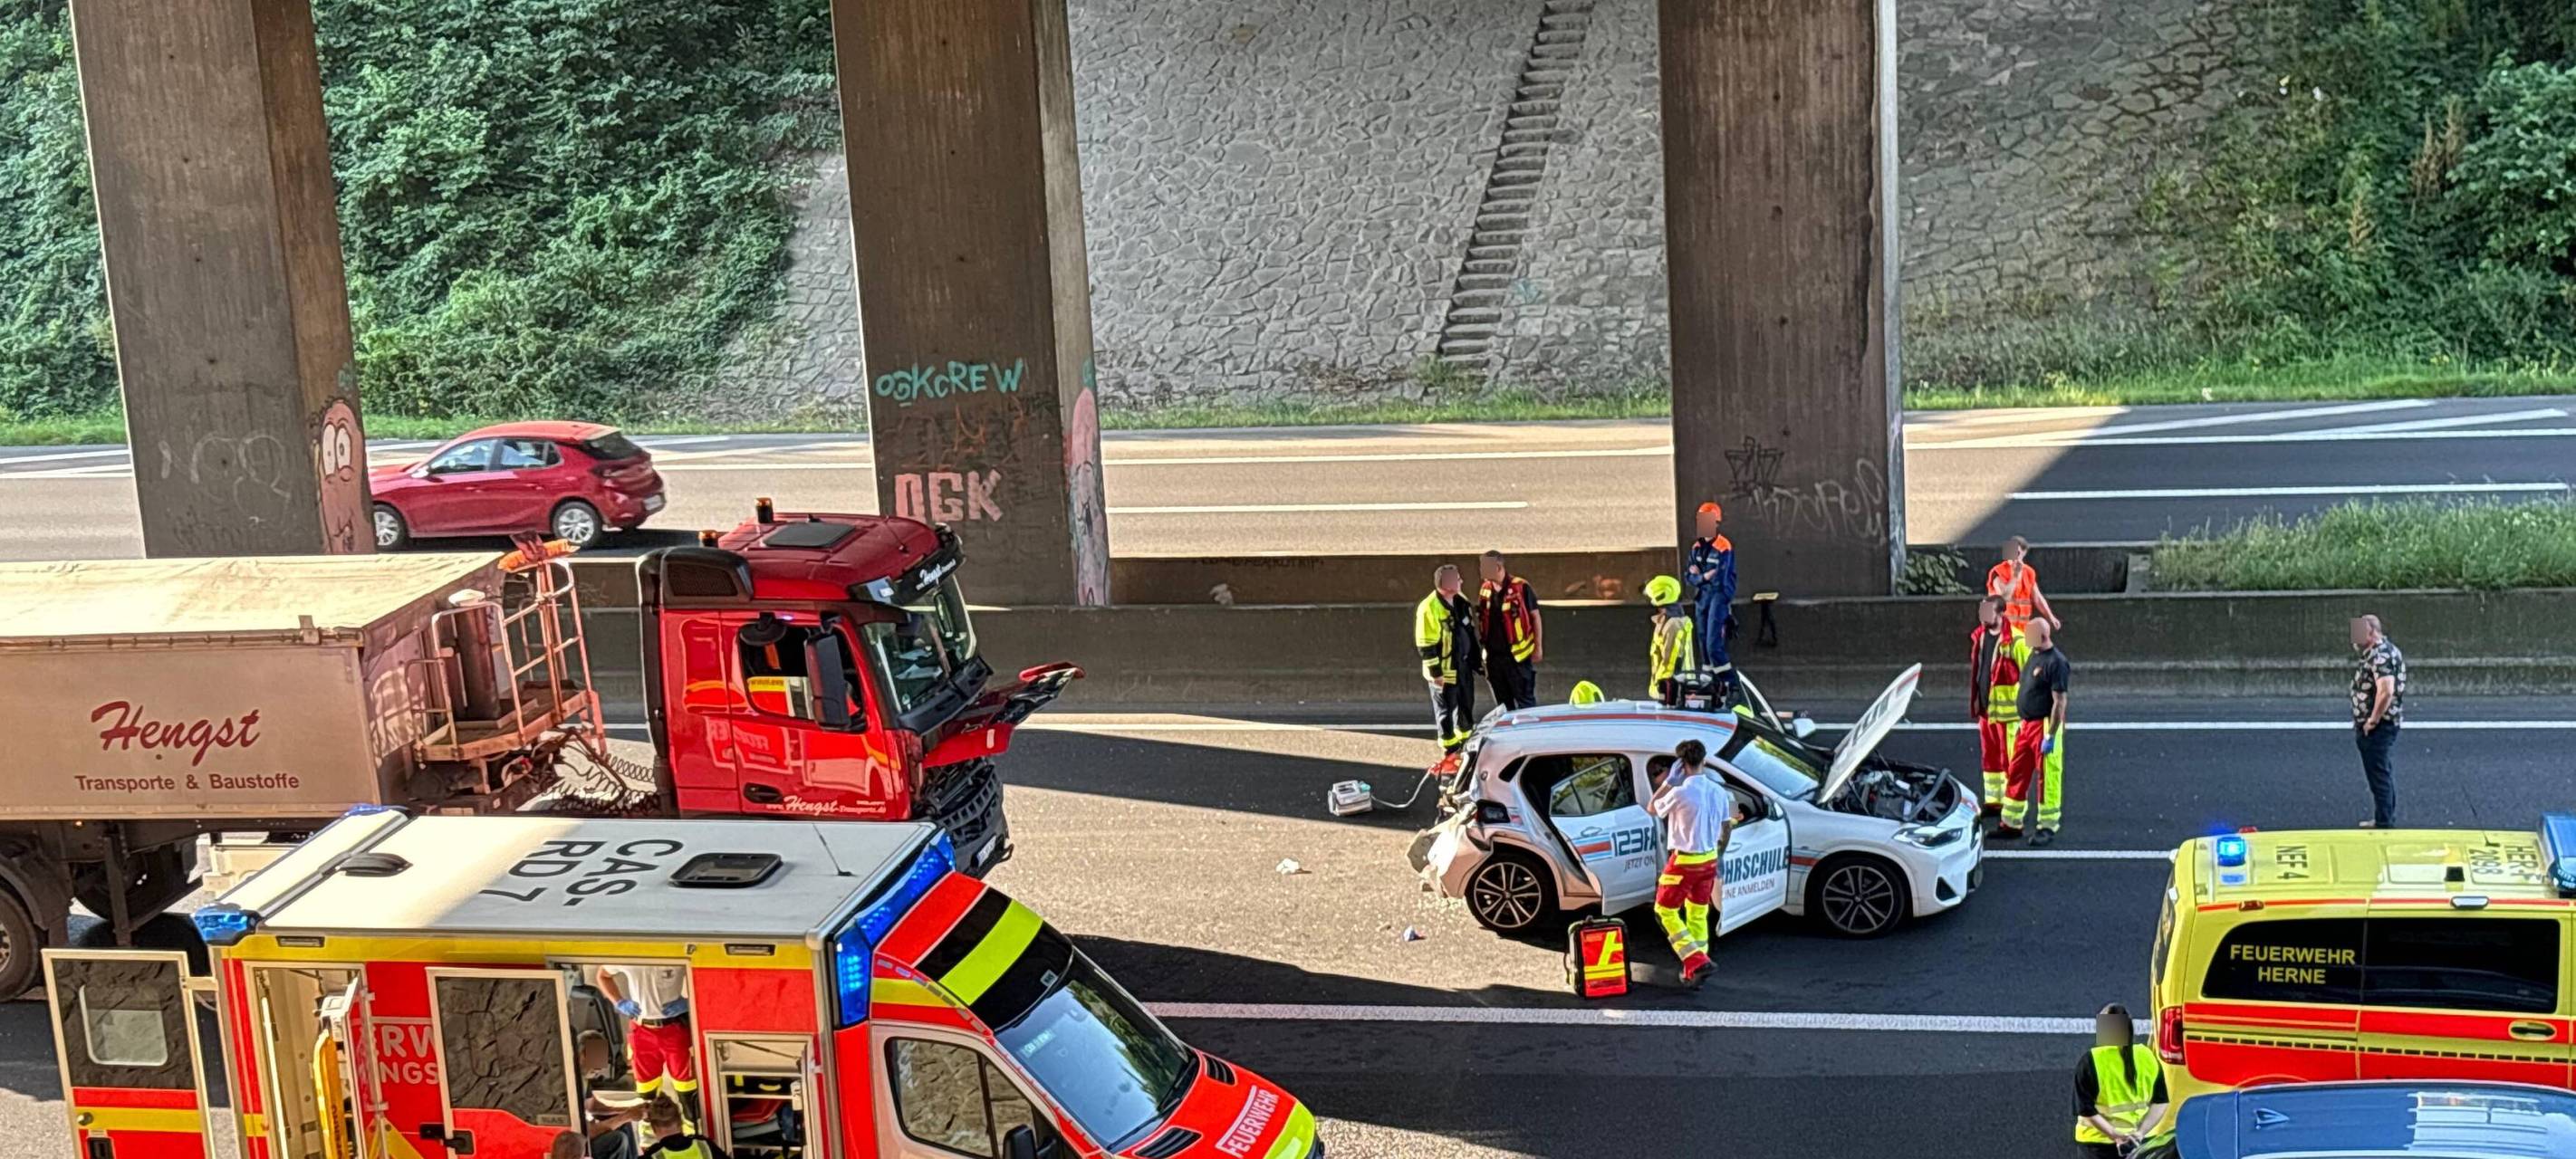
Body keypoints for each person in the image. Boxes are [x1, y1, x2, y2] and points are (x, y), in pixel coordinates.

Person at [1648, 739, 1736, 986]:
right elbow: (1725, 827)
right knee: (1698, 913)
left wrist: (1668, 782)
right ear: (1704, 761)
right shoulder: (1719, 792)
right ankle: (1695, 969)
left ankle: (1696, 961)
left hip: (1684, 862)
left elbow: (1652, 808)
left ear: (1681, 764)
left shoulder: (1680, 792)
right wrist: (1718, 856)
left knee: (1664, 910)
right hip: (1709, 859)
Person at [1997, 618, 2070, 846]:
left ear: (2042, 635)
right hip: (2027, 726)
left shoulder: (2056, 662)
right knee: (2017, 771)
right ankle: (2011, 822)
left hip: (2044, 726)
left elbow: (2059, 702)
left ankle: (2047, 826)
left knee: (2047, 777)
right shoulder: (2034, 654)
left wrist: (2050, 735)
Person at [598, 964, 698, 1125]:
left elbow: (703, 973)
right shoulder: (629, 954)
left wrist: (690, 1001)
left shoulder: (674, 952)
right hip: (641, 1032)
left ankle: (693, 1133)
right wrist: (619, 1002)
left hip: (675, 1029)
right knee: (646, 1092)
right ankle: (648, 1139)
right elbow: (603, 976)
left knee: (687, 1088)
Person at [2073, 1003, 2173, 1157]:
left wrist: (2115, 1135)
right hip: (2140, 1143)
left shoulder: (2092, 1060)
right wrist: (2140, 1133)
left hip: (2097, 1145)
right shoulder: (2146, 1056)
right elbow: (2161, 1102)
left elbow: (2085, 1110)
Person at [1968, 595, 2028, 815]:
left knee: (2010, 763)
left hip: (2009, 717)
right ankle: (1994, 802)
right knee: (1991, 760)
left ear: (2001, 613)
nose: (1982, 616)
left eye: (1987, 612)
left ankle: (2013, 811)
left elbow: (2032, 676)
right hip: (1987, 713)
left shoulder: (2017, 641)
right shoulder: (1980, 637)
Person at [1414, 564, 1479, 753]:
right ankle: (1449, 750)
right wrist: (1437, 675)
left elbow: (1469, 632)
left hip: (1463, 667)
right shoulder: (1428, 608)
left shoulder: (1461, 601)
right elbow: (1426, 646)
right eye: (1458, 579)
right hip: (1444, 671)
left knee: (1466, 706)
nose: (1461, 582)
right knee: (1446, 713)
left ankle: (1466, 743)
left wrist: (1476, 662)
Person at [2351, 614, 2407, 829]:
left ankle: (2384, 822)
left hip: (2379, 726)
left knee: (2379, 775)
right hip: (2381, 724)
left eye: (2358, 632)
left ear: (2372, 631)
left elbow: (2386, 691)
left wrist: (2372, 721)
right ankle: (2384, 817)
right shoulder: (2382, 652)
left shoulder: (2381, 656)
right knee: (2380, 772)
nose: (2354, 639)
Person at [1476, 551, 1544, 711]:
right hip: (1494, 658)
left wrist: (1538, 647)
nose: (1481, 571)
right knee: (1503, 706)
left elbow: (1535, 617)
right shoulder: (1485, 589)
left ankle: (1528, 733)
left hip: (1517, 658)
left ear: (1498, 567)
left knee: (1525, 702)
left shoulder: (1521, 587)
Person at [1683, 502, 1737, 685]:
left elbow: (1720, 578)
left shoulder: (1724, 546)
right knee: (1703, 643)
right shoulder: (1696, 547)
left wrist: (1700, 576)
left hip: (1718, 595)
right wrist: (1703, 577)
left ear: (1716, 523)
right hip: (1702, 596)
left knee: (1713, 645)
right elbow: (1688, 576)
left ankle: (1730, 683)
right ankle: (1708, 682)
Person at [577, 1030, 643, 1159]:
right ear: (581, 1055)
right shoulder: (573, 1082)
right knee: (617, 1140)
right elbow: (589, 1131)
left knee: (624, 1123)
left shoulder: (583, 1078)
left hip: (585, 1135)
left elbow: (592, 1106)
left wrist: (628, 1110)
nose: (600, 1068)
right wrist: (626, 1116)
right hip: (578, 1143)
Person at [1986, 536, 2060, 634]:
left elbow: (2037, 598)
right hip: (2003, 628)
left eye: (2017, 553)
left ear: (2024, 553)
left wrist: (2050, 617)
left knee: (2034, 641)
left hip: (2023, 628)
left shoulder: (2029, 572)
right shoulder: (1998, 571)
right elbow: (2003, 598)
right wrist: (2015, 576)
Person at [1643, 575, 1695, 700]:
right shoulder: (1667, 622)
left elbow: (1671, 661)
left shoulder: (1673, 624)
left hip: (1673, 689)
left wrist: (1662, 687)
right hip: (1673, 687)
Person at [639, 1097, 729, 1159]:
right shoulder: (704, 1145)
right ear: (681, 1122)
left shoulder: (653, 1155)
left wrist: (626, 1117)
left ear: (653, 1128)